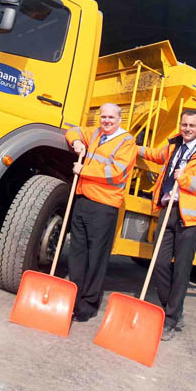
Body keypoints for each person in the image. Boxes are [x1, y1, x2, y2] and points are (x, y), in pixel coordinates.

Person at [138, 110, 196, 340]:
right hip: (169, 210)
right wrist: (132, 147)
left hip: (191, 217)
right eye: (184, 124)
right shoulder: (173, 147)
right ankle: (172, 307)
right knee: (159, 262)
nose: (187, 128)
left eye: (191, 125)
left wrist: (185, 180)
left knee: (182, 269)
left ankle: (171, 319)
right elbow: (155, 155)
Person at [65, 103, 137, 322]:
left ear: (119, 119)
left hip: (104, 206)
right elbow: (73, 130)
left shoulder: (127, 141)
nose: (106, 121)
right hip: (82, 200)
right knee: (77, 254)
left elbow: (116, 172)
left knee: (96, 258)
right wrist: (76, 141)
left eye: (111, 118)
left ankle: (87, 305)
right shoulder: (96, 132)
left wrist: (83, 169)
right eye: (103, 117)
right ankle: (72, 298)